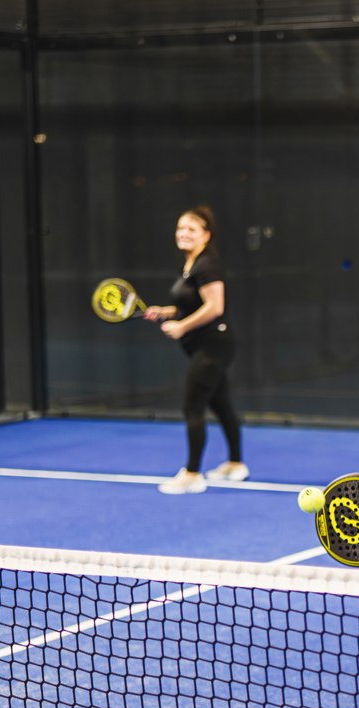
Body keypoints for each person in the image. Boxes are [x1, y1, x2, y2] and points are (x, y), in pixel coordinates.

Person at [145, 205, 248, 494]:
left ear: (206, 235)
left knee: (193, 406)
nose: (184, 233)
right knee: (221, 403)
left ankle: (192, 475)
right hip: (206, 346)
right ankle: (236, 464)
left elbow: (215, 307)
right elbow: (189, 304)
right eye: (180, 228)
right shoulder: (190, 265)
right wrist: (165, 312)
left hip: (214, 345)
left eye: (191, 229)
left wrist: (181, 327)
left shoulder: (207, 266)